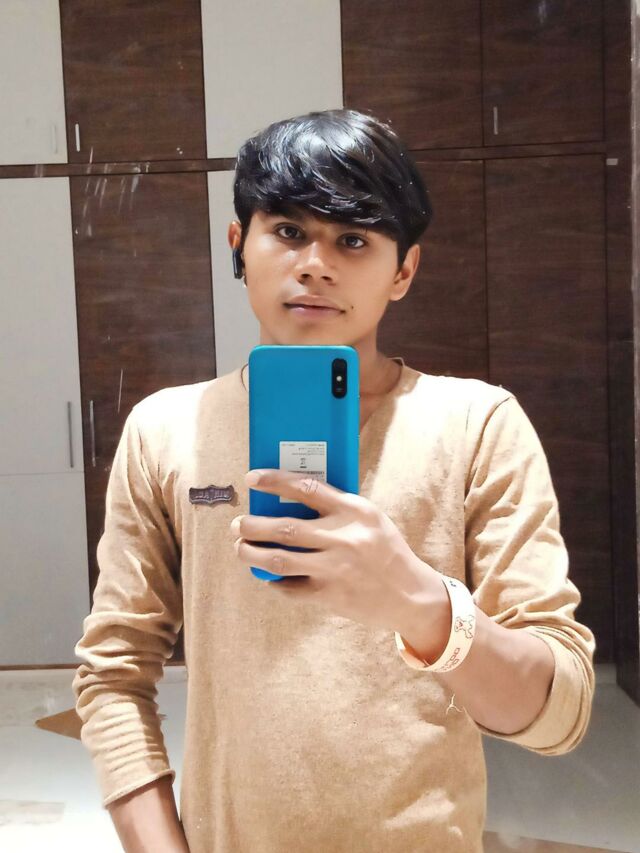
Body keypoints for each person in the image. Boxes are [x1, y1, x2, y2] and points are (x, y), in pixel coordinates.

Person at [72, 108, 596, 853]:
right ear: (238, 246)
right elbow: (113, 675)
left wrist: (421, 605)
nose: (316, 263)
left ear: (403, 270)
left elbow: (558, 713)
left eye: (353, 239)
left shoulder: (477, 424)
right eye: (288, 230)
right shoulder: (165, 429)